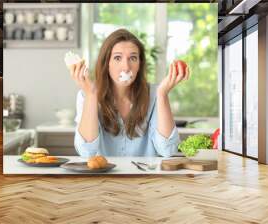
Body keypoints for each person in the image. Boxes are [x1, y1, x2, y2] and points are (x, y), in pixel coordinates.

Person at [68, 29, 190, 158]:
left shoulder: (155, 95)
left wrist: (162, 94)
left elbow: (168, 150)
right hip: (104, 177)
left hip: (146, 177)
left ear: (139, 64)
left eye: (133, 58)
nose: (126, 67)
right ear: (106, 63)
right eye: (117, 58)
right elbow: (87, 152)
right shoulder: (86, 95)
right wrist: (92, 96)